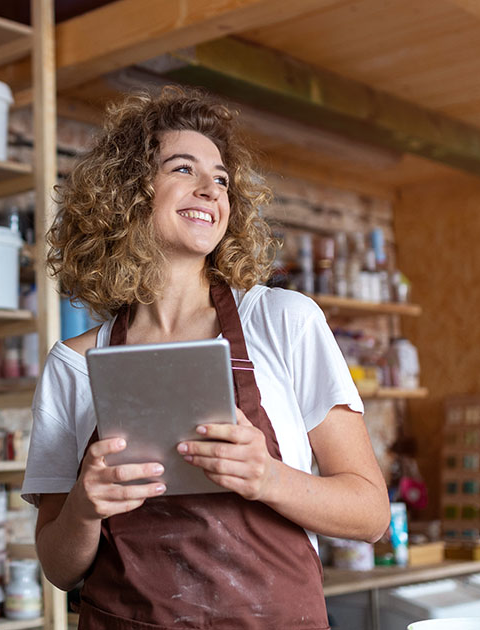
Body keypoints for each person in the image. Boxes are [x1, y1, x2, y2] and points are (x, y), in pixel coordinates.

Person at [20, 87, 390, 629]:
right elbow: (58, 567)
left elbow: (371, 514)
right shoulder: (74, 365)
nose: (210, 189)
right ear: (129, 192)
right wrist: (83, 506)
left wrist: (269, 478)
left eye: (221, 179)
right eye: (183, 168)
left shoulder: (283, 321)